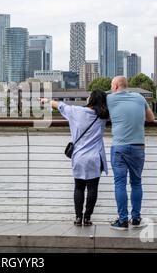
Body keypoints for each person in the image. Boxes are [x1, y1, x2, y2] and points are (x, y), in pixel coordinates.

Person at [41, 90, 109, 226]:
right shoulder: (104, 116)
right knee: (92, 188)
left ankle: (78, 218)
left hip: (79, 156)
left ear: (90, 99)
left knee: (78, 187)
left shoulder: (75, 111)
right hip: (95, 157)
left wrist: (46, 101)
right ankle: (87, 217)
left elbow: (59, 105)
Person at [107, 76, 155, 231]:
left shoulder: (109, 99)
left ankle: (122, 221)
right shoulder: (139, 97)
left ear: (115, 86)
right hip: (138, 147)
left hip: (119, 147)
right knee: (136, 183)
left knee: (120, 184)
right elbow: (151, 119)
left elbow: (92, 108)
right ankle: (135, 219)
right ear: (126, 86)